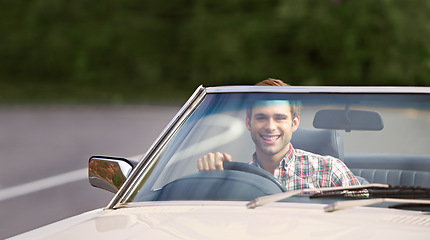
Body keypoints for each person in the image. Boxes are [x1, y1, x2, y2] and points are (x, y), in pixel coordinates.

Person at [197, 78, 362, 191]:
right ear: (248, 123)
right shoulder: (233, 179)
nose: (270, 127)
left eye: (279, 118)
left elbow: (364, 221)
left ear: (294, 123)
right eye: (261, 117)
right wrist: (210, 177)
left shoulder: (329, 170)